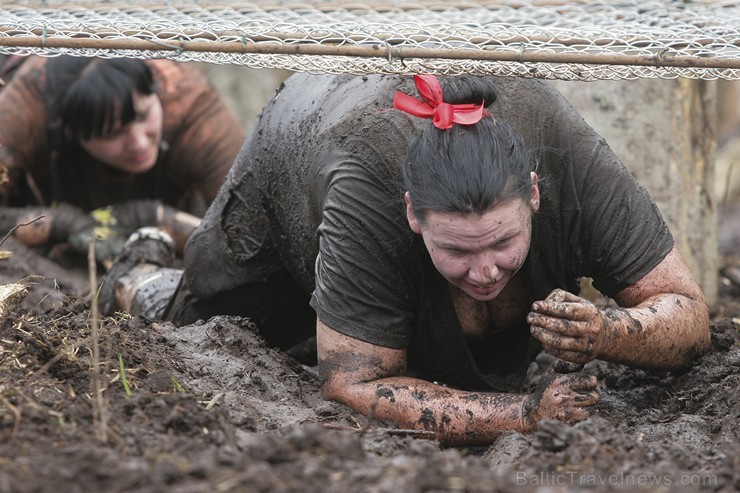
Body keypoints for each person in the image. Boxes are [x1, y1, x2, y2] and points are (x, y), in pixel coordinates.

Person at [104, 72, 710, 446]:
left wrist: (611, 330)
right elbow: (349, 383)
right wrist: (522, 415)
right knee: (200, 329)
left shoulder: (571, 163)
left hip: (374, 150)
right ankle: (142, 269)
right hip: (296, 149)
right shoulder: (367, 193)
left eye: (503, 243)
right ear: (412, 217)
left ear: (533, 193)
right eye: (456, 250)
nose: (485, 272)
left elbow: (687, 313)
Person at [0, 55, 245, 266]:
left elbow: (249, 230)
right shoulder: (24, 110)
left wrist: (152, 216)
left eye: (143, 115)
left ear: (155, 93)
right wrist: (63, 224)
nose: (138, 142)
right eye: (112, 133)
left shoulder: (194, 109)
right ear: (70, 131)